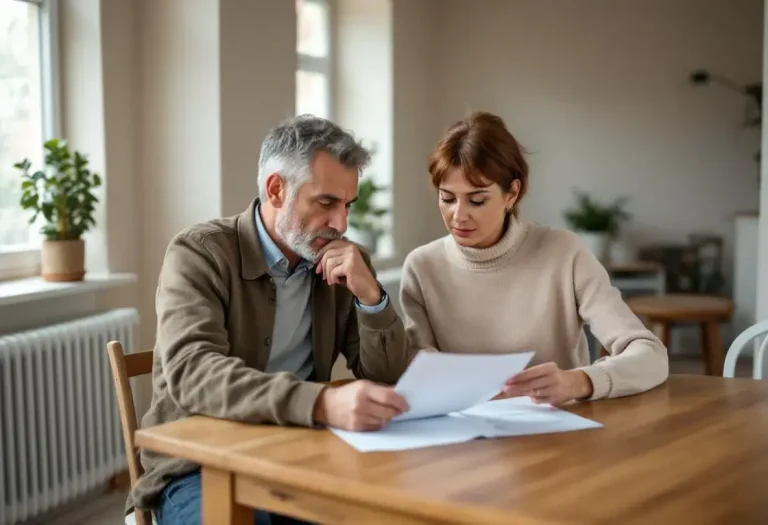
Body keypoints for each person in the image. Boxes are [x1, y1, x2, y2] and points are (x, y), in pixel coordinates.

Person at [129, 115, 412, 525]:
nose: (341, 224)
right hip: (197, 466)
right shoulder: (199, 254)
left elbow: (387, 375)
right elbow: (194, 373)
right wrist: (320, 402)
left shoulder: (344, 262)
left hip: (300, 453)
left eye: (347, 205)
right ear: (276, 189)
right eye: (326, 203)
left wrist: (372, 296)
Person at [400, 112, 668, 405]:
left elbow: (650, 356)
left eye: (477, 200)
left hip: (558, 436)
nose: (458, 215)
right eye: (447, 198)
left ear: (511, 194)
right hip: (460, 438)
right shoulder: (421, 267)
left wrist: (580, 381)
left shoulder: (564, 253)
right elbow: (419, 367)